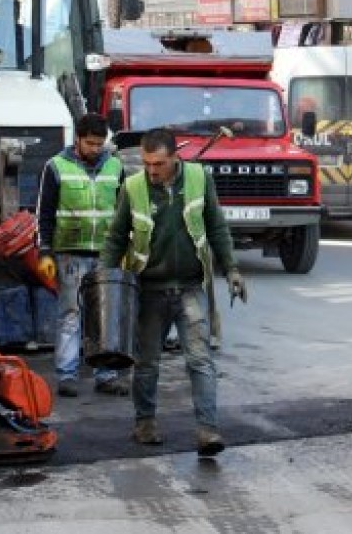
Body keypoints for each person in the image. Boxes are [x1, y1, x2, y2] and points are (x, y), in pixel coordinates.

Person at [99, 128, 244, 457]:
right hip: (149, 290)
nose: (152, 171)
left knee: (199, 361)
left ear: (175, 157)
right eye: (147, 163)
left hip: (191, 287)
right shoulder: (133, 187)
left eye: (159, 164)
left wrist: (232, 268)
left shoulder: (199, 179)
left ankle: (208, 431)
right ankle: (145, 423)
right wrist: (105, 282)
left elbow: (217, 226)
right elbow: (115, 238)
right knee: (147, 363)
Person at [34, 113, 129, 398]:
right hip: (69, 255)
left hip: (106, 253)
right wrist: (45, 252)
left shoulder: (116, 167)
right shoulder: (55, 167)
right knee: (71, 314)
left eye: (100, 144)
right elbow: (44, 214)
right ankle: (67, 374)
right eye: (90, 143)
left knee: (105, 316)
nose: (95, 149)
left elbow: (124, 212)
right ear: (77, 139)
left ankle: (107, 374)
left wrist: (125, 249)